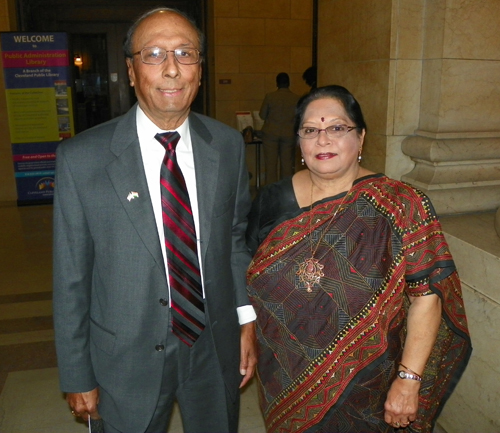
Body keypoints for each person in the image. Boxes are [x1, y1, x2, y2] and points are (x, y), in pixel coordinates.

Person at [52, 7, 257, 433]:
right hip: (124, 356)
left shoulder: (227, 145)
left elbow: (235, 241)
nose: (171, 69)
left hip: (212, 345)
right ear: (130, 71)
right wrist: (77, 373)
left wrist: (245, 320)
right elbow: (71, 274)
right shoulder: (82, 159)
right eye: (154, 54)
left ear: (199, 70)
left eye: (186, 53)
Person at [246, 85, 471, 433]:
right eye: (310, 130)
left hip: (366, 382)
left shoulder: (399, 205)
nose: (323, 140)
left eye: (337, 128)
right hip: (283, 372)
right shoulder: (271, 199)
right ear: (299, 141)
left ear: (361, 137)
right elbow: (250, 273)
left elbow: (426, 297)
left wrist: (408, 380)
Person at [259, 72, 300, 185]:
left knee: (270, 165)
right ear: (289, 83)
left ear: (277, 83)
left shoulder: (270, 96)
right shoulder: (296, 98)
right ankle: (286, 190)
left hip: (271, 133)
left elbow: (262, 115)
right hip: (289, 134)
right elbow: (299, 117)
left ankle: (271, 193)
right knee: (287, 165)